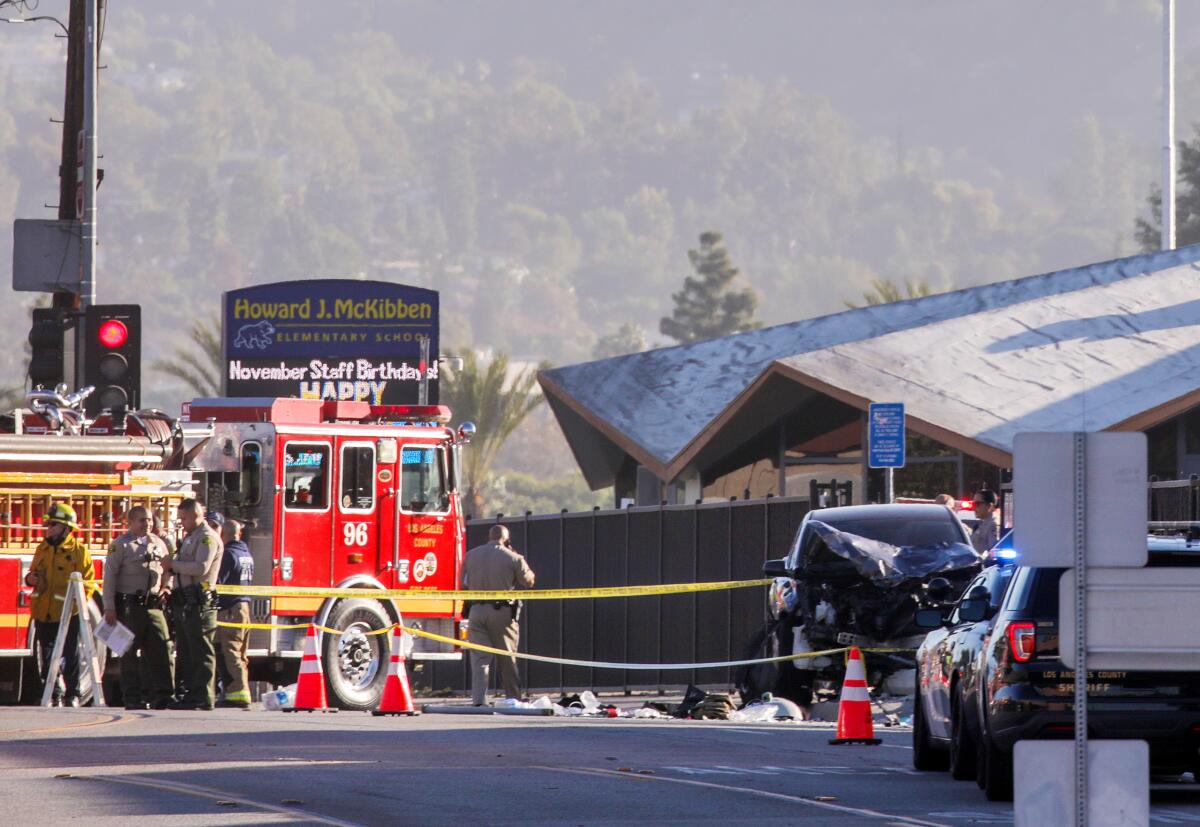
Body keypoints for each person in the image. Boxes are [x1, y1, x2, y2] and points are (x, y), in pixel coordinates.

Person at [102, 505, 174, 710]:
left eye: (149, 519)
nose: (147, 524)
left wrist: (167, 587)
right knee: (129, 654)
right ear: (130, 522)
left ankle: (164, 695)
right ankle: (132, 697)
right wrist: (109, 607)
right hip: (130, 606)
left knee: (162, 649)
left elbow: (167, 570)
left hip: (154, 606)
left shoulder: (159, 543)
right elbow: (110, 577)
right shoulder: (121, 545)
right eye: (142, 520)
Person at [26, 503, 96, 707]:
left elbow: (88, 583)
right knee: (46, 656)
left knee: (70, 654)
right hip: (43, 611)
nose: (48, 529)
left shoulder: (79, 552)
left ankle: (73, 694)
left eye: (53, 525)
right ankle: (53, 693)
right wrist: (30, 579)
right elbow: (32, 573)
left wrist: (77, 604)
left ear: (66, 528)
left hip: (68, 613)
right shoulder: (42, 549)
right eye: (48, 525)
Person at [462, 524, 535, 706]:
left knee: (479, 659)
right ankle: (513, 698)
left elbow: (463, 584)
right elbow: (529, 581)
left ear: (490, 537)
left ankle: (479, 701)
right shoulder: (513, 557)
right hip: (501, 613)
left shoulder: (470, 556)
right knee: (507, 656)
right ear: (506, 538)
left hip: (476, 611)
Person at [162, 498, 223, 710]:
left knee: (201, 650)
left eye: (184, 518)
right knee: (187, 651)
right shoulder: (190, 537)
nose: (182, 523)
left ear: (196, 515)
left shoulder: (207, 538)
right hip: (186, 601)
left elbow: (201, 567)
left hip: (199, 602)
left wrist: (173, 565)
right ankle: (190, 694)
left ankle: (203, 696)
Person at [214, 519, 254, 709]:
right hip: (244, 607)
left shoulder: (228, 554)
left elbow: (218, 581)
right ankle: (237, 690)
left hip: (229, 609)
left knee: (229, 651)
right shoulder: (246, 554)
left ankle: (238, 692)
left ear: (223, 534)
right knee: (240, 652)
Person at [970, 489, 1000, 554]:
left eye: (977, 504)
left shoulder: (993, 525)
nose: (974, 508)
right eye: (973, 504)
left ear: (989, 506)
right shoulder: (982, 524)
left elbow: (993, 552)